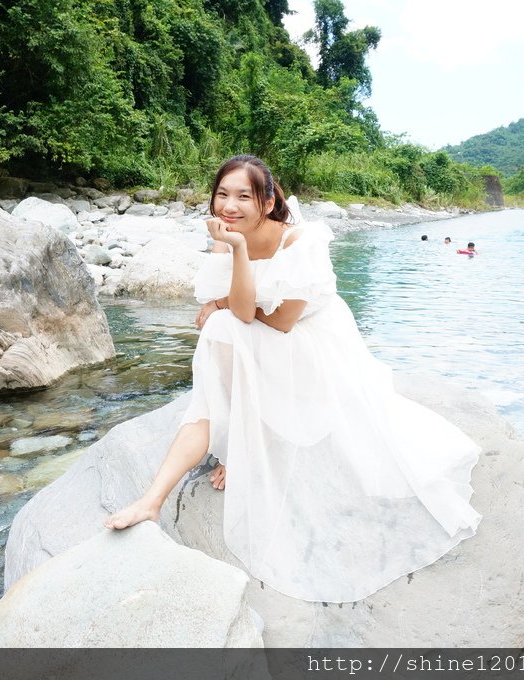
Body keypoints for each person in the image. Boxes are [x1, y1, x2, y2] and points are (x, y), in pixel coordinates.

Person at [104, 155, 481, 603]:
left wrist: (226, 294)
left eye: (244, 196)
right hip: (265, 336)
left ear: (268, 201)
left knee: (225, 327)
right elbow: (244, 314)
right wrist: (231, 269)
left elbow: (278, 321)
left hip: (310, 348)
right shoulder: (225, 238)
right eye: (222, 194)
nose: (229, 205)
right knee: (217, 343)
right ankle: (153, 499)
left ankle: (241, 445)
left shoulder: (302, 241)